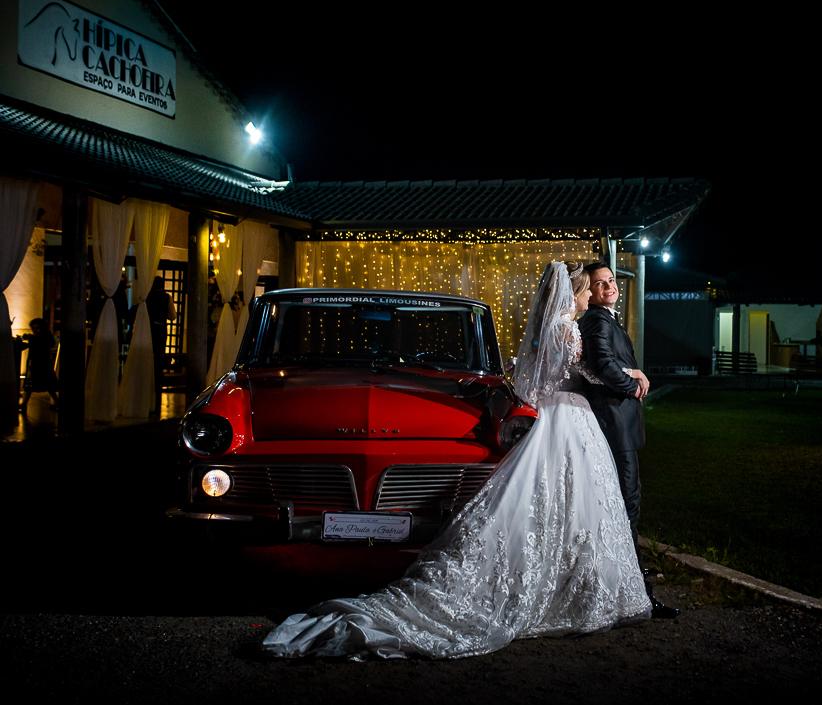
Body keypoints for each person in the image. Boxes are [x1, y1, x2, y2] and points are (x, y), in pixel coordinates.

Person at [263, 262, 652, 659]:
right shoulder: (570, 329)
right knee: (577, 505)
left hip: (552, 414)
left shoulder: (547, 328)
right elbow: (589, 371)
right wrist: (631, 374)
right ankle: (578, 582)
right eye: (588, 289)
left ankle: (568, 575)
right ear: (574, 293)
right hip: (571, 416)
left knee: (545, 500)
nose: (591, 296)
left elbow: (534, 375)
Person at [579, 262, 677, 619]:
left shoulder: (606, 317)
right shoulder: (596, 320)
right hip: (614, 421)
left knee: (626, 500)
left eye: (611, 280)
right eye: (599, 283)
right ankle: (636, 589)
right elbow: (603, 365)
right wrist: (633, 384)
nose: (609, 286)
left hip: (619, 420)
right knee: (627, 502)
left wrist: (631, 370)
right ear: (587, 291)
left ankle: (630, 569)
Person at [145, 276, 176, 413]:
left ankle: (147, 383)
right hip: (161, 329)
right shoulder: (166, 297)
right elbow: (172, 316)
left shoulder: (148, 296)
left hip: (149, 328)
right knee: (159, 357)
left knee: (148, 356)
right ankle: (158, 384)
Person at [18, 318, 59, 413]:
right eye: (33, 328)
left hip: (43, 364)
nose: (35, 330)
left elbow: (45, 346)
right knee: (30, 385)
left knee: (49, 385)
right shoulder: (35, 338)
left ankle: (56, 401)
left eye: (37, 328)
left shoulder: (44, 338)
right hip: (35, 364)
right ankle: (24, 404)